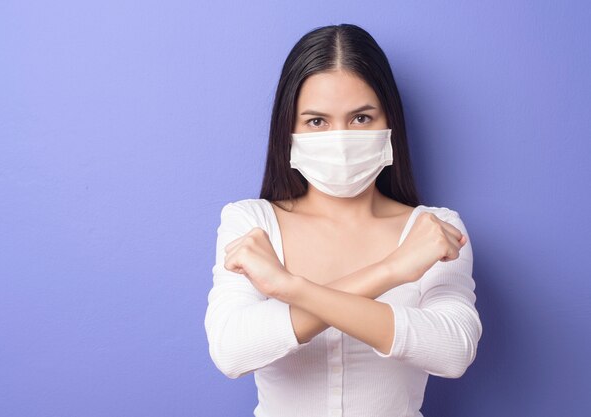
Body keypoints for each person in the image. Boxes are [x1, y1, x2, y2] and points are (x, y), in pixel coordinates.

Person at [204, 23, 483, 417]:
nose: (340, 138)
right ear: (290, 129)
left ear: (389, 124)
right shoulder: (251, 223)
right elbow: (232, 351)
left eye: (361, 118)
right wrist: (392, 271)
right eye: (317, 121)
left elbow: (453, 351)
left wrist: (289, 287)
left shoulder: (433, 229)